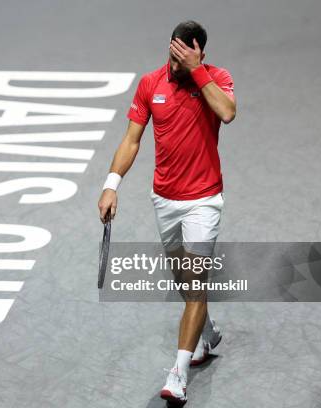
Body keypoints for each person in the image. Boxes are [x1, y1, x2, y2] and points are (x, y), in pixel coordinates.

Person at [97, 20, 236, 405]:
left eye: (184, 55)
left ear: (199, 53)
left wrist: (197, 71)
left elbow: (227, 112)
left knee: (195, 282)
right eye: (172, 52)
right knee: (184, 280)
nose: (174, 61)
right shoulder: (149, 84)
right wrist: (111, 183)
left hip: (204, 200)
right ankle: (207, 335)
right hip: (165, 199)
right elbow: (131, 139)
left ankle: (178, 374)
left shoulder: (217, 78)